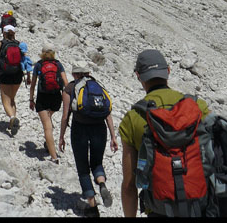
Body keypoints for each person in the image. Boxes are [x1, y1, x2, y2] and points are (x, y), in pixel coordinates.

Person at [119, 49, 211, 218]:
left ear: (138, 76)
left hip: (159, 210)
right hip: (199, 206)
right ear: (168, 71)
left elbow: (129, 186)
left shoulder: (133, 118)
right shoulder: (199, 108)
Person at [59, 61, 119, 217]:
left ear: (75, 74)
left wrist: (61, 137)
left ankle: (92, 208)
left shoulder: (70, 88)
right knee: (97, 162)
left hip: (80, 129)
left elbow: (65, 116)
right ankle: (102, 183)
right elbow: (107, 112)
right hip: (100, 128)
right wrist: (113, 136)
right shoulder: (97, 85)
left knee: (82, 167)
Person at [29, 46, 69, 163]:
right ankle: (49, 144)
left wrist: (31, 99)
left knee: (47, 127)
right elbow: (66, 83)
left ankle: (54, 157)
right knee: (49, 119)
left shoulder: (39, 65)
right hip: (56, 98)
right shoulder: (58, 64)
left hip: (43, 97)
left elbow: (33, 84)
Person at [0, 24, 23, 134]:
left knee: (5, 100)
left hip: (4, 74)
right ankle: (13, 121)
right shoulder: (19, 44)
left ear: (3, 33)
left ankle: (12, 118)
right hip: (18, 74)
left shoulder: (0, 44)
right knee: (12, 98)